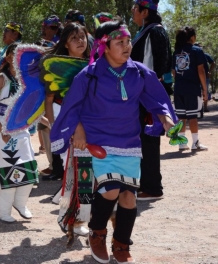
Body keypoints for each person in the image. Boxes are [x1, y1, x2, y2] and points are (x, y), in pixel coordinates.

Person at [50, 20, 177, 264]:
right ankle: (97, 234)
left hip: (129, 141)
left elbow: (156, 100)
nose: (127, 46)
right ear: (104, 45)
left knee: (129, 197)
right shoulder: (88, 75)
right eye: (120, 42)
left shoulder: (139, 72)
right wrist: (77, 131)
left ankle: (121, 245)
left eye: (128, 41)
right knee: (111, 189)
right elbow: (72, 106)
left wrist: (167, 120)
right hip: (98, 141)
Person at [42, 23, 91, 236]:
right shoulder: (57, 67)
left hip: (90, 122)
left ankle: (73, 216)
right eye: (74, 38)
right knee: (75, 170)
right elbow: (49, 98)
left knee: (85, 173)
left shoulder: (95, 64)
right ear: (65, 43)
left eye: (82, 36)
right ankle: (72, 219)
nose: (80, 41)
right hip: (67, 121)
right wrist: (55, 126)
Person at [0, 43, 38, 223]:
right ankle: (3, 212)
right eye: (13, 55)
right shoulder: (1, 79)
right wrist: (2, 131)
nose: (17, 58)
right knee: (10, 166)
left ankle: (20, 203)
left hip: (20, 127)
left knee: (29, 166)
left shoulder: (26, 79)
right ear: (7, 58)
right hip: (1, 126)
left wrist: (49, 122)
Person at [130, 0, 173, 200]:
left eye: (135, 9)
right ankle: (147, 183)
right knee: (145, 138)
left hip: (147, 95)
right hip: (148, 94)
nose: (132, 12)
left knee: (148, 138)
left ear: (144, 12)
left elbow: (149, 69)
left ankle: (152, 187)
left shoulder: (152, 32)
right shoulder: (150, 31)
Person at [172, 27, 208, 151]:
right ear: (192, 37)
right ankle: (195, 143)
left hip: (179, 88)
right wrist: (205, 89)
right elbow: (201, 71)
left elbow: (173, 72)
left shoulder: (176, 52)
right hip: (192, 88)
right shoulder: (197, 50)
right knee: (193, 116)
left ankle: (182, 143)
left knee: (181, 116)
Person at [194, 42, 215, 112]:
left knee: (205, 91)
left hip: (205, 76)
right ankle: (198, 108)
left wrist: (210, 71)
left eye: (199, 47)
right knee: (197, 92)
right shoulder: (192, 56)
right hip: (195, 77)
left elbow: (213, 63)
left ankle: (205, 107)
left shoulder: (205, 55)